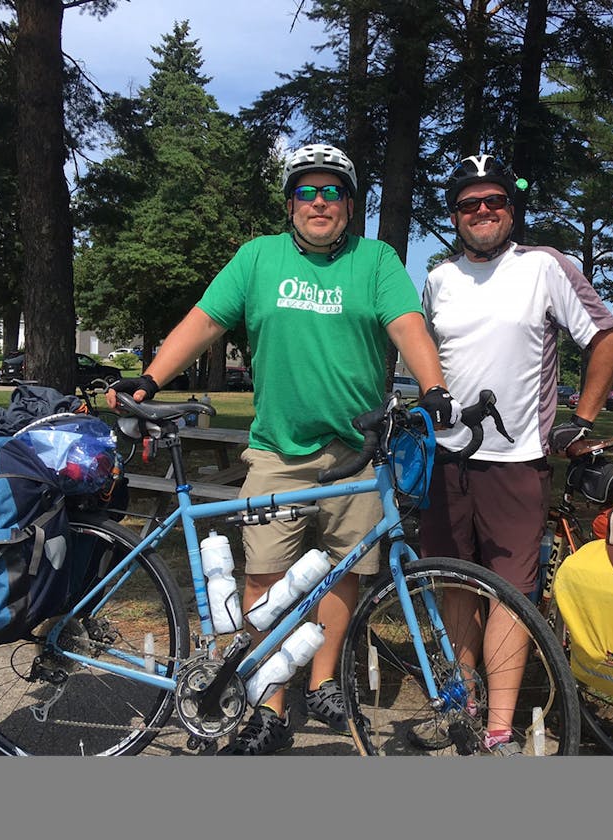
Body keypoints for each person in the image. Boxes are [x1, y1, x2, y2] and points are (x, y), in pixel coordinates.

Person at [107, 143, 453, 755]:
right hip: (278, 451)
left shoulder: (375, 260)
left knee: (348, 569)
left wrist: (434, 388)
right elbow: (204, 321)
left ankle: (324, 682)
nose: (319, 203)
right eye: (306, 192)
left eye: (331, 193)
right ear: (291, 203)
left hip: (358, 449)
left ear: (348, 205)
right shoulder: (257, 258)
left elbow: (407, 325)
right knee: (266, 577)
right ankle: (266, 702)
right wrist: (149, 379)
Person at [414, 153, 613, 755]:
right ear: (455, 215)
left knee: (510, 589)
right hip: (444, 458)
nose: (482, 212)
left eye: (494, 202)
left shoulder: (545, 266)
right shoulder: (438, 277)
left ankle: (501, 727)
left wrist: (579, 419)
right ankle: (462, 702)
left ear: (511, 209)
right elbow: (428, 355)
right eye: (469, 204)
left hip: (517, 457)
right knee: (455, 581)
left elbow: (607, 336)